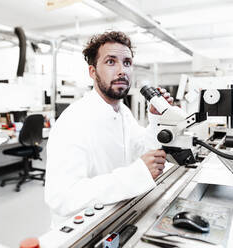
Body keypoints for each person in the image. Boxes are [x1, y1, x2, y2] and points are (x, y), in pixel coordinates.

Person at [44, 31, 173, 227]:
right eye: (111, 62)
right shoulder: (73, 121)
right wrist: (136, 174)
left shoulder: (123, 112)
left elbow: (144, 149)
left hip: (117, 215)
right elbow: (62, 197)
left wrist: (156, 118)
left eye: (127, 62)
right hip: (84, 230)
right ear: (92, 72)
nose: (122, 70)